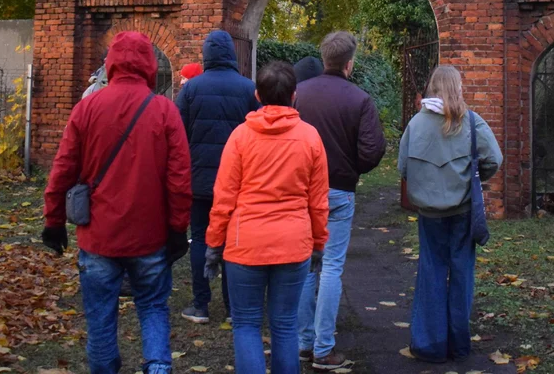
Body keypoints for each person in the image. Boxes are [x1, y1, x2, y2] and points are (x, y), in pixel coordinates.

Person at [42, 31, 192, 374]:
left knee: (100, 319)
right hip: (150, 236)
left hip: (98, 236)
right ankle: (157, 367)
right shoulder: (165, 111)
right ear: (149, 65)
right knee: (153, 307)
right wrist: (177, 228)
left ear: (111, 64)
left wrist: (53, 220)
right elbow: (180, 179)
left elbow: (63, 168)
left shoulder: (87, 108)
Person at [203, 61, 330, 374]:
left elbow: (224, 198)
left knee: (246, 325)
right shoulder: (310, 138)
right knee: (285, 325)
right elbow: (318, 201)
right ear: (294, 95)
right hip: (293, 243)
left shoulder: (240, 137)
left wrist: (214, 243)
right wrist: (318, 243)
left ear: (258, 94)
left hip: (245, 244)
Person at [398, 65, 502, 364]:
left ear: (431, 88)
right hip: (463, 210)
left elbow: (403, 168)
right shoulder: (470, 121)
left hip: (429, 213)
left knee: (430, 271)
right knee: (461, 274)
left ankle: (430, 344)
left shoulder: (415, 125)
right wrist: (473, 176)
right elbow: (494, 158)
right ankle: (459, 343)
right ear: (457, 88)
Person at [296, 31, 386, 371]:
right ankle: (323, 348)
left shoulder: (298, 94)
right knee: (331, 266)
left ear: (324, 60)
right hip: (339, 190)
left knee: (305, 265)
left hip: (302, 190)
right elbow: (372, 149)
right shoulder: (359, 99)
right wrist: (352, 168)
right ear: (350, 63)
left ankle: (305, 342)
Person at [175, 30, 260, 324]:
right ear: (231, 55)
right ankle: (233, 306)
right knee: (233, 241)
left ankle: (200, 305)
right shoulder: (248, 89)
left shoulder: (190, 90)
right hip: (237, 182)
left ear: (206, 55)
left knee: (199, 238)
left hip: (198, 179)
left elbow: (177, 134)